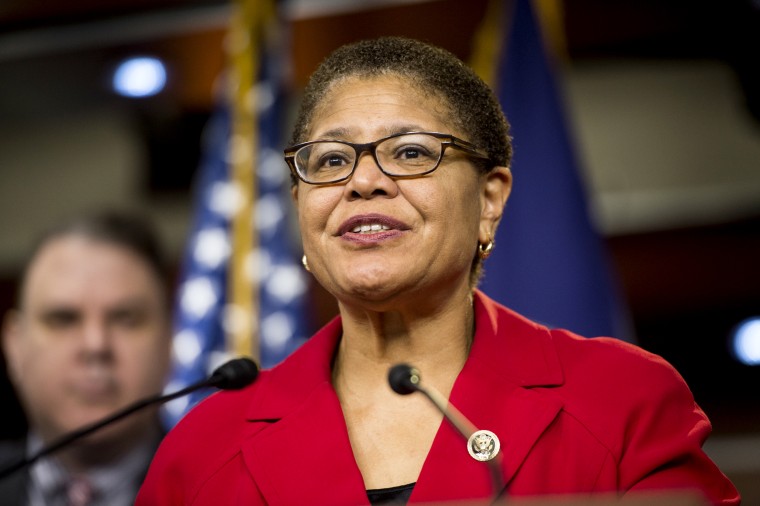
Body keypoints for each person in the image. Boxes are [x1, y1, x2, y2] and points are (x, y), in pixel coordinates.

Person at [137, 37, 740, 505]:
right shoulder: (204, 447)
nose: (364, 181)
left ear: (489, 200)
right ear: (301, 207)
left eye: (410, 152)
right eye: (330, 161)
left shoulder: (619, 400)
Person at [0, 210, 172, 506]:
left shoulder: (225, 491)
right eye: (63, 319)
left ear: (169, 341)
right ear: (14, 346)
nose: (96, 345)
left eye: (126, 319)